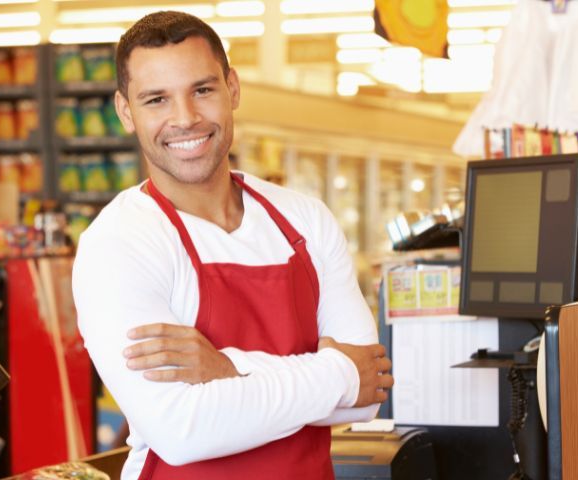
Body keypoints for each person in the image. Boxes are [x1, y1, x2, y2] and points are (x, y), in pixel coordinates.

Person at [72, 11, 393, 480]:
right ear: (126, 112)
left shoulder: (304, 220)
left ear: (233, 89)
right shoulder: (119, 243)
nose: (185, 118)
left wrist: (226, 367)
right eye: (157, 99)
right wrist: (337, 373)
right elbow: (183, 430)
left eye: (202, 90)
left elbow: (369, 394)